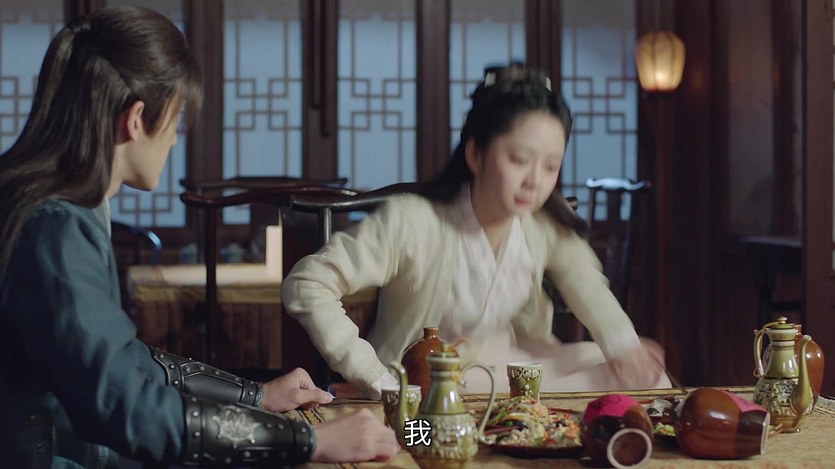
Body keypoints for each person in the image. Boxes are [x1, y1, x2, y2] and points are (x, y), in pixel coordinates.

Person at [0, 6, 398, 467]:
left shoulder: (46, 200)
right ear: (136, 119)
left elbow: (121, 360)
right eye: (175, 120)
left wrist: (256, 395)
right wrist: (309, 441)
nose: (173, 140)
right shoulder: (55, 224)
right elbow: (124, 404)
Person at [282, 63, 672, 400]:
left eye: (550, 166)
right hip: (431, 384)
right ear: (475, 154)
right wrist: (373, 376)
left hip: (506, 365)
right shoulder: (413, 221)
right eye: (519, 160)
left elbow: (588, 286)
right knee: (618, 380)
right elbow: (308, 283)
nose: (535, 181)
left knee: (640, 371)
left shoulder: (541, 226)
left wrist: (625, 348)